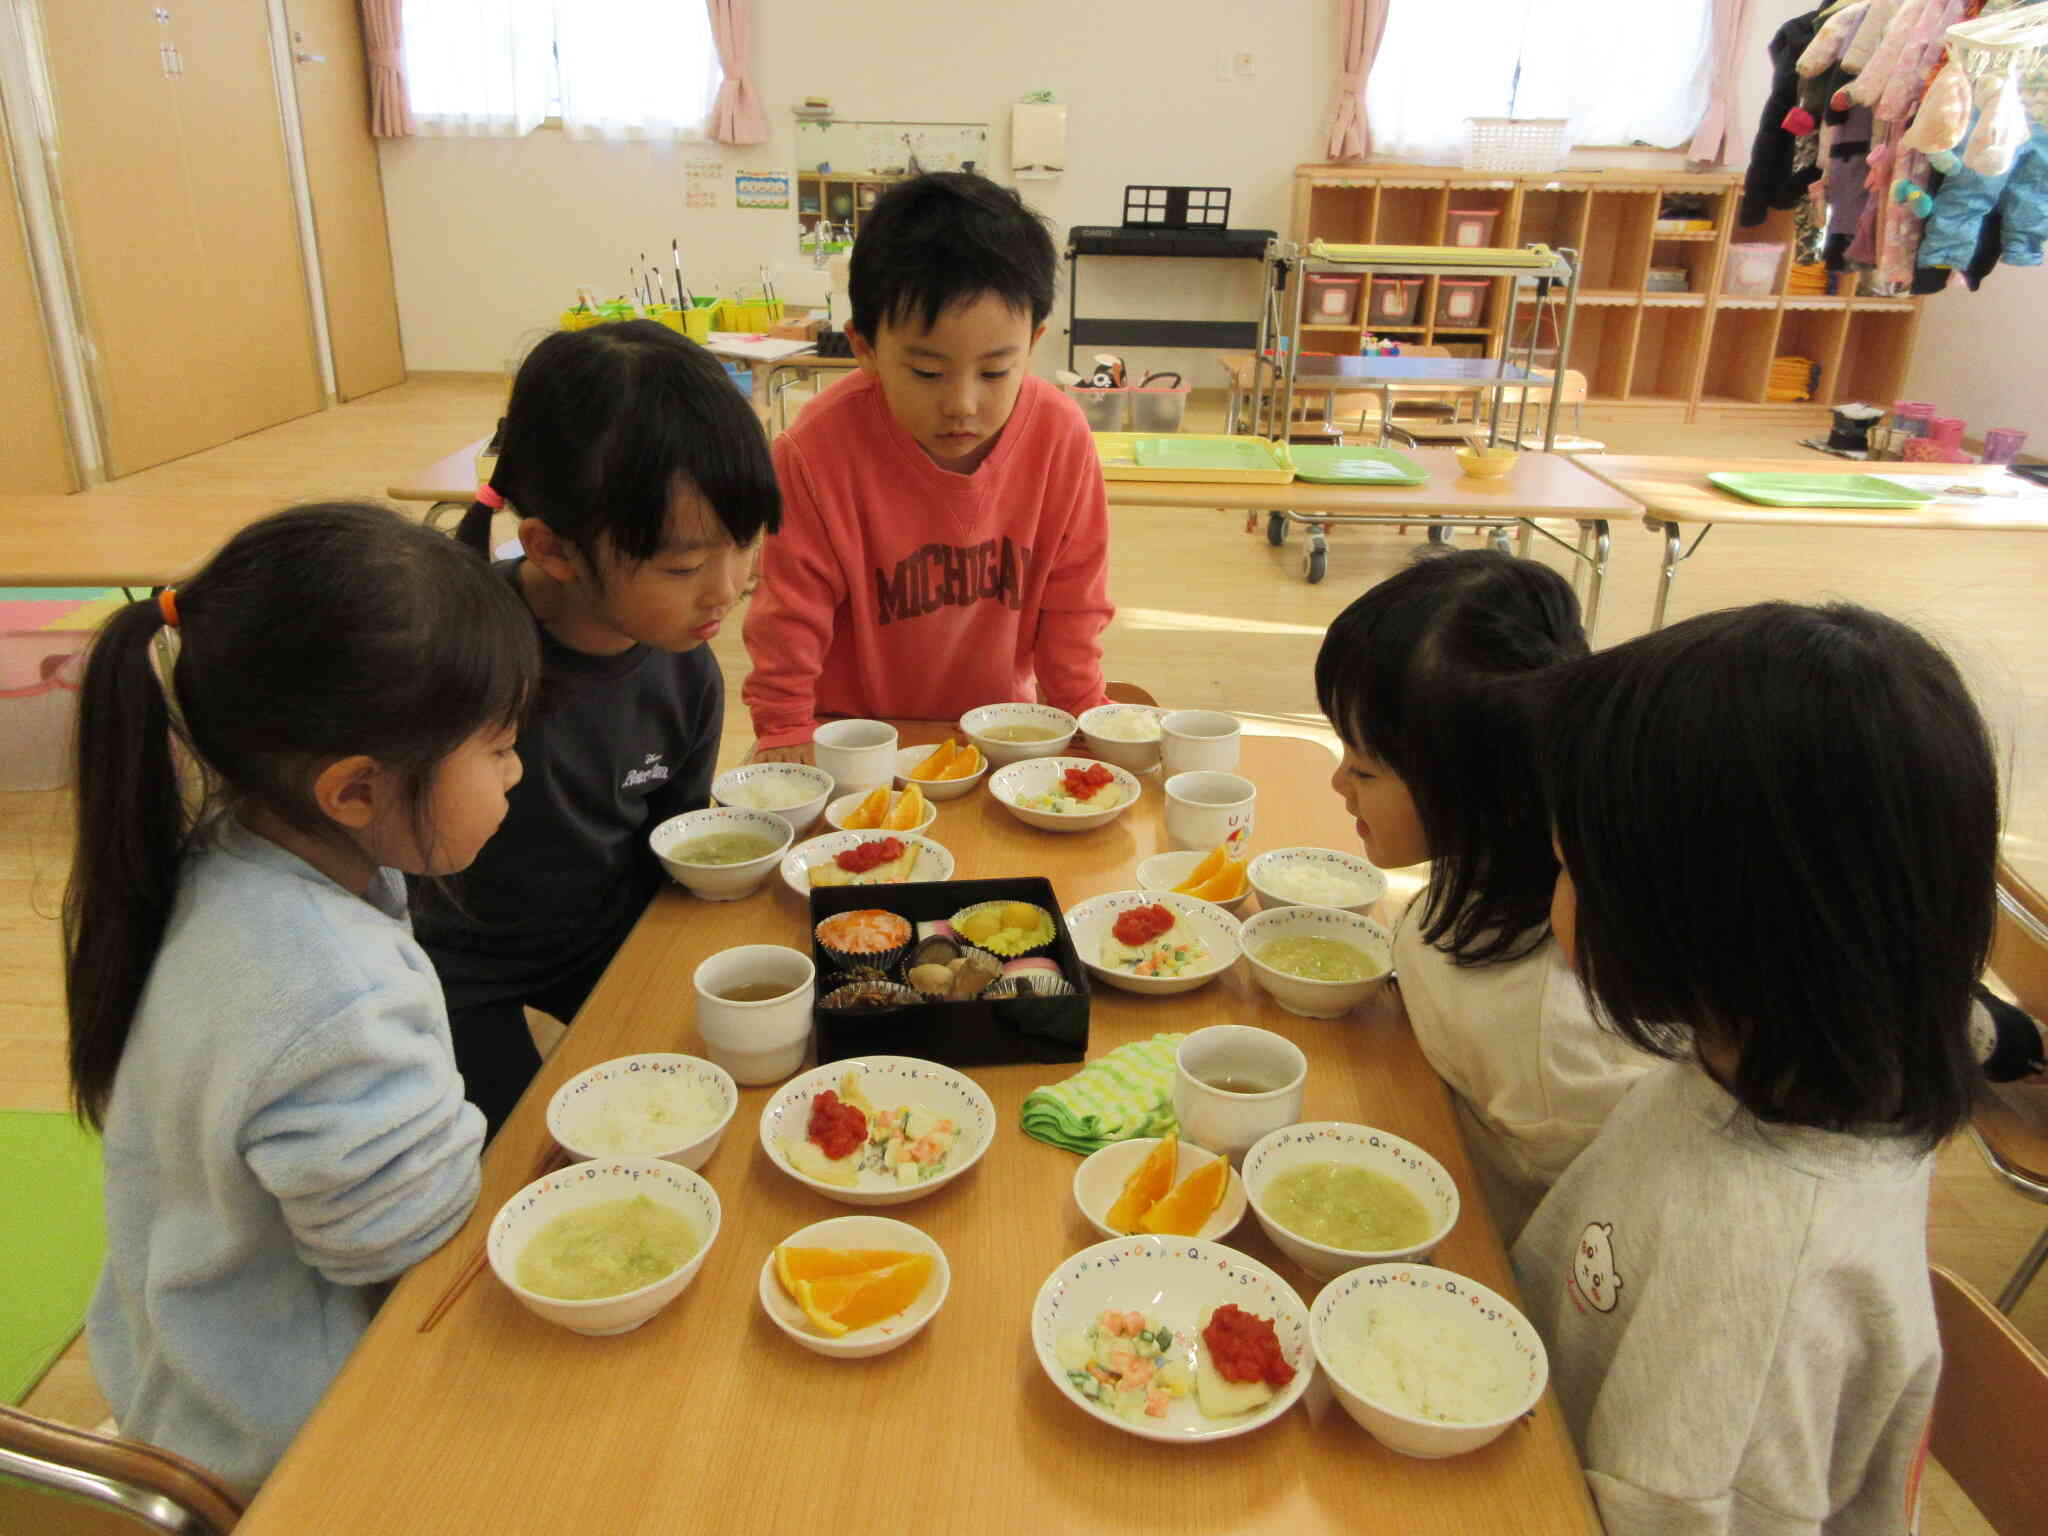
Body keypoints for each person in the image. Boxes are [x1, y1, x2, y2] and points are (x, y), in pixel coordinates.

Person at [68, 503, 539, 1496]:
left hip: (184, 1383)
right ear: (356, 791)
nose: (517, 772)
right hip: (297, 1450)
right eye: (495, 749)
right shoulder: (331, 989)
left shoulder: (218, 862)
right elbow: (408, 1249)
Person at [1517, 601, 1999, 1535]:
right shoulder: (1787, 1062)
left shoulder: (1758, 1294)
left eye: (1571, 868)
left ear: (1707, 921)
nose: (1554, 898)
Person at [430, 320, 781, 1135]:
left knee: (713, 1106)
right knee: (514, 1156)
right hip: (454, 972)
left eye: (745, 546)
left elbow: (676, 852)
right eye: (684, 567)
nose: (726, 591)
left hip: (609, 942)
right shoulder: (458, 668)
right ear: (553, 549)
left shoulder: (683, 666)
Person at [1314, 550, 1656, 1237]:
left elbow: (1571, 1232)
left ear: (1474, 792)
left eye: (1366, 770)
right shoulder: (1488, 865)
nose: (1337, 785)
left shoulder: (1552, 1038)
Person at [742, 172, 1113, 760]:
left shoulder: (1060, 437)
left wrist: (1081, 712)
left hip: (999, 733)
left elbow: (1074, 603)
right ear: (864, 347)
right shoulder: (815, 453)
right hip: (857, 738)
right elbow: (789, 615)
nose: (963, 405)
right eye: (927, 373)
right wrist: (784, 729)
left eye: (995, 372)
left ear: (1033, 342)